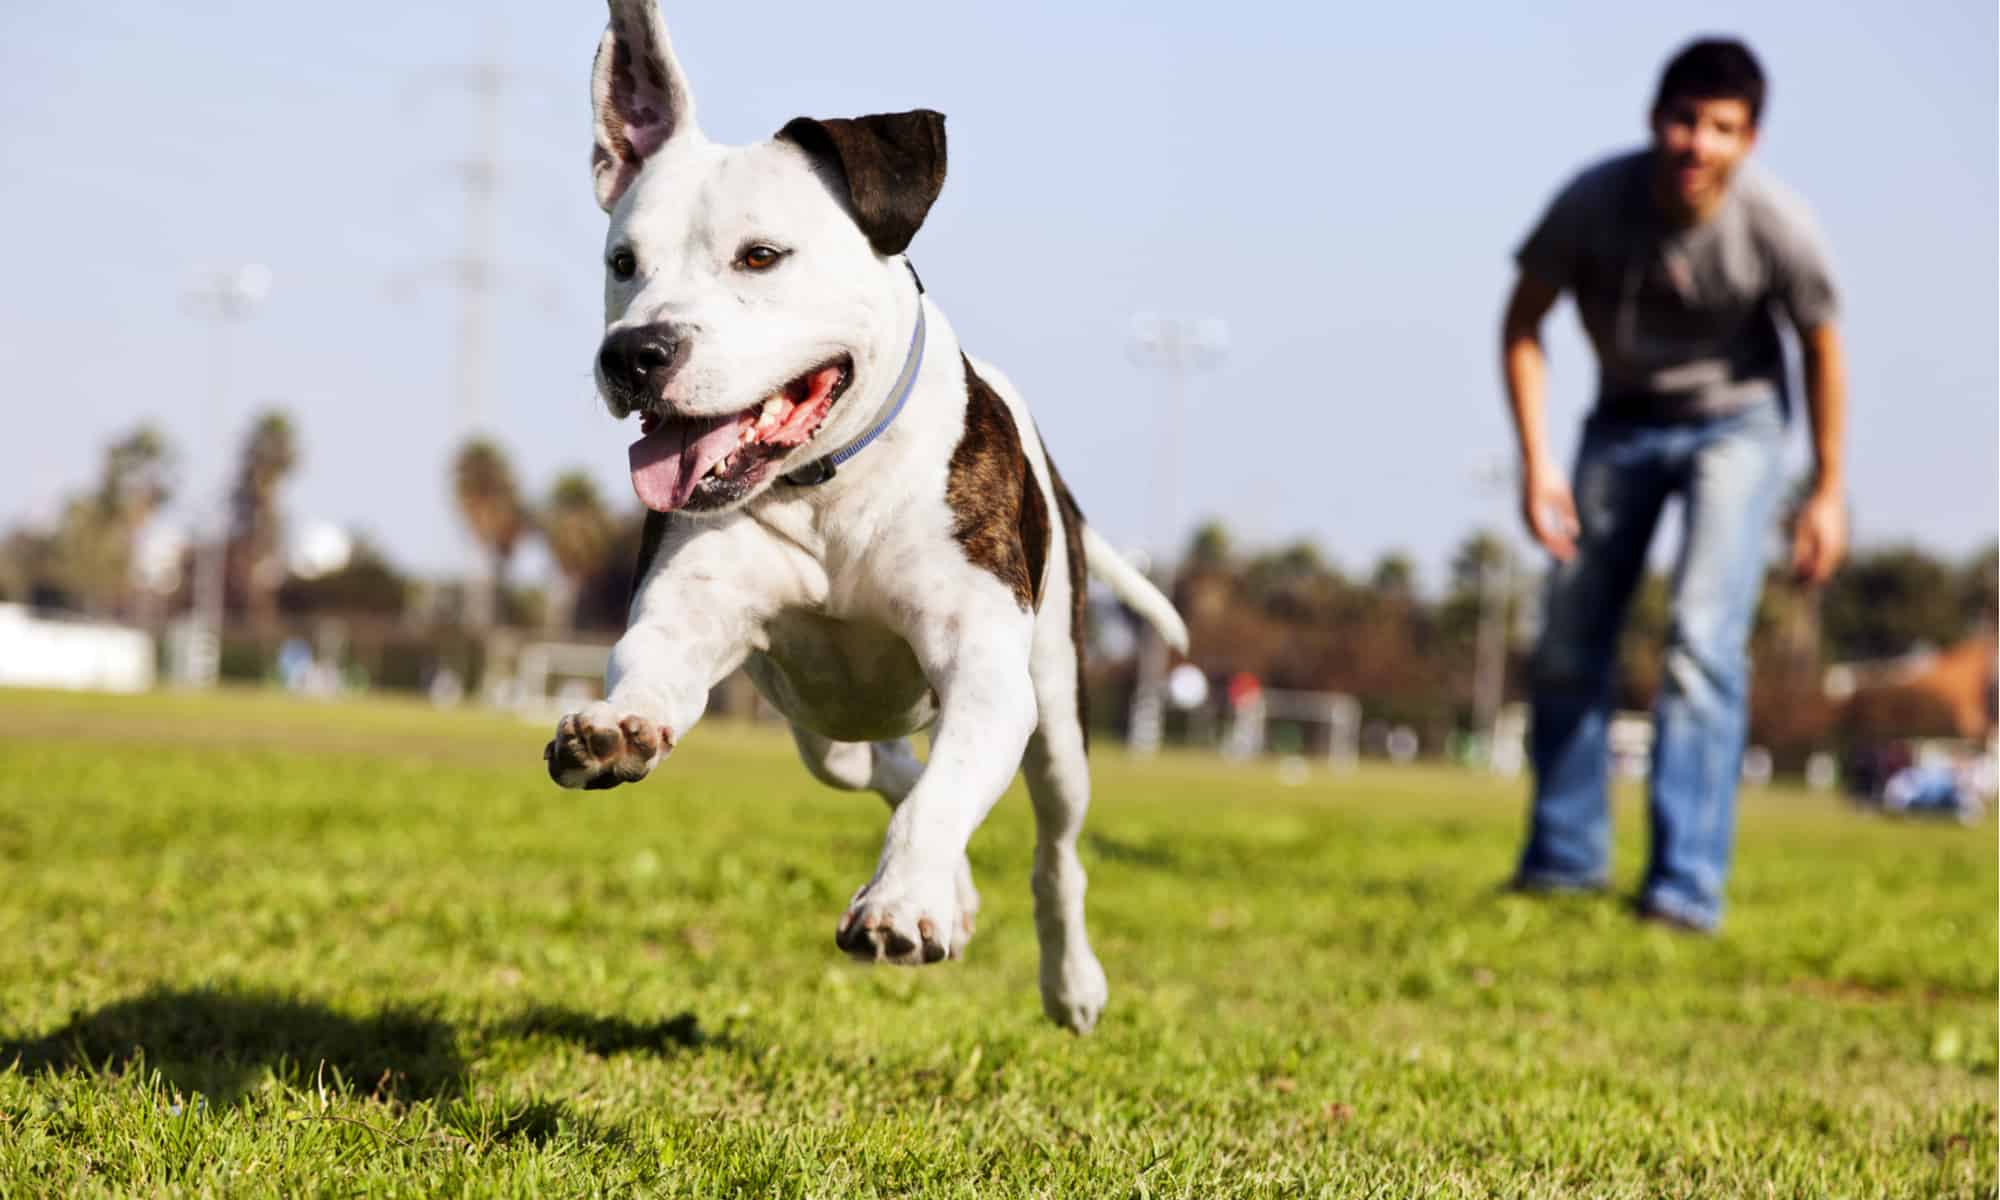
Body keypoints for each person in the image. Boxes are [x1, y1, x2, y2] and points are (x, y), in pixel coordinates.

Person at [1499, 38, 1847, 932]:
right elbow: (1523, 324)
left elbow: (1821, 346)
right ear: (1657, 120)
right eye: (1685, 120)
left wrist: (1827, 487)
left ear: (1750, 140)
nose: (1699, 143)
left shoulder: (1776, 224)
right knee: (1572, 632)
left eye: (1722, 128)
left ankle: (1685, 886)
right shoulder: (1593, 202)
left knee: (1699, 638)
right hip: (1619, 422)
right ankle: (1564, 862)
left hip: (1737, 427)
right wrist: (1537, 461)